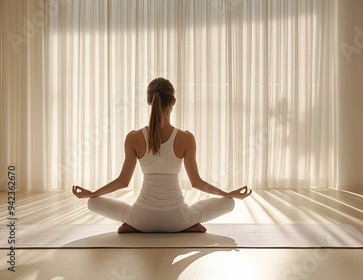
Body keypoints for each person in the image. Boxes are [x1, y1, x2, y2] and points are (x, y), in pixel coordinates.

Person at [72, 77, 252, 233]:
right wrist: (228, 194)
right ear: (173, 101)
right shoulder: (186, 138)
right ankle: (187, 226)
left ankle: (133, 226)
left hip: (141, 218)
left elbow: (123, 181)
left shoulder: (134, 137)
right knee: (229, 203)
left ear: (149, 101)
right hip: (178, 220)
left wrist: (93, 193)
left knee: (93, 203)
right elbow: (196, 182)